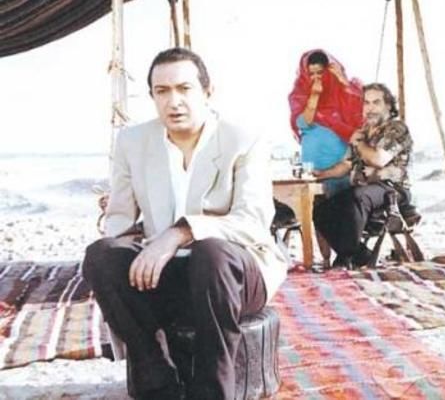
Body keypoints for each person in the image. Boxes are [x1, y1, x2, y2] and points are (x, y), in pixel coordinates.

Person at [82, 47, 287, 400]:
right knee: (101, 255)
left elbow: (253, 221)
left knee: (212, 253)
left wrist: (179, 233)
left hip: (233, 276)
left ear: (207, 92)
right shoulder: (133, 142)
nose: (173, 101)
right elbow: (119, 221)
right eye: (162, 91)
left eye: (184, 88)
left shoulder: (243, 139)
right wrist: (136, 251)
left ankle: (212, 392)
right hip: (169, 276)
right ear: (152, 96)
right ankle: (156, 383)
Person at [312, 83, 414, 269]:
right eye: (366, 103)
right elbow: (347, 164)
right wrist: (321, 174)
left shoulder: (396, 128)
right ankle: (360, 256)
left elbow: (378, 159)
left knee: (357, 197)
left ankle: (345, 258)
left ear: (388, 106)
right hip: (364, 190)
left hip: (393, 189)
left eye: (376, 102)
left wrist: (359, 143)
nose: (370, 108)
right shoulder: (364, 131)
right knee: (321, 209)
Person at [288, 49, 363, 196]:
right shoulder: (300, 94)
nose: (316, 78)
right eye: (311, 74)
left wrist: (343, 82)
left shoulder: (343, 93)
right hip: (311, 175)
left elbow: (359, 115)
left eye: (320, 72)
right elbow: (303, 123)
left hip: (339, 173)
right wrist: (314, 96)